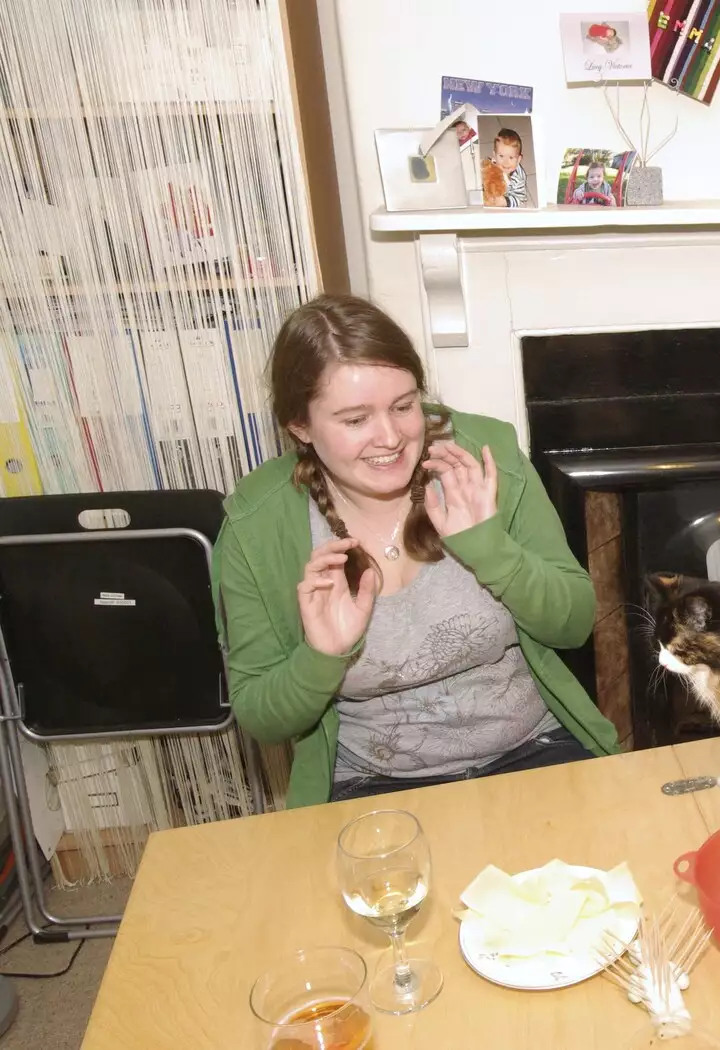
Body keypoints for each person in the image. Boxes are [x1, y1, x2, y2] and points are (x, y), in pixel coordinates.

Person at [211, 294, 618, 807]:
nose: (390, 437)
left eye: (404, 406)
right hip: (372, 785)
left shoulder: (483, 461)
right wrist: (321, 657)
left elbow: (574, 624)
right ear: (300, 427)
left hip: (532, 749)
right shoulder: (258, 523)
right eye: (355, 419)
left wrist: (490, 550)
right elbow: (261, 717)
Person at [490, 128, 529, 208]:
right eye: (501, 156)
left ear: (518, 160)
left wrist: (505, 201)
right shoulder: (493, 164)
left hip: (511, 193)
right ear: (494, 155)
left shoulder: (518, 179)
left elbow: (521, 199)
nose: (506, 162)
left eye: (511, 158)